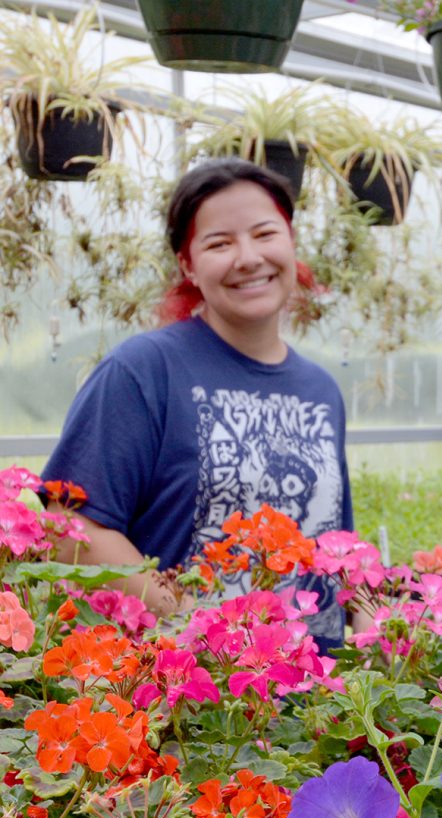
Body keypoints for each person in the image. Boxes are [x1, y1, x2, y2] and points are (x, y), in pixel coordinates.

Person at [43, 158, 353, 647]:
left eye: (264, 233)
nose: (248, 257)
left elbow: (331, 543)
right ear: (188, 264)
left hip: (314, 705)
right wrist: (199, 624)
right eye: (219, 243)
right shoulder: (143, 370)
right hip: (191, 703)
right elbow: (71, 525)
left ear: (291, 241)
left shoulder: (320, 390)